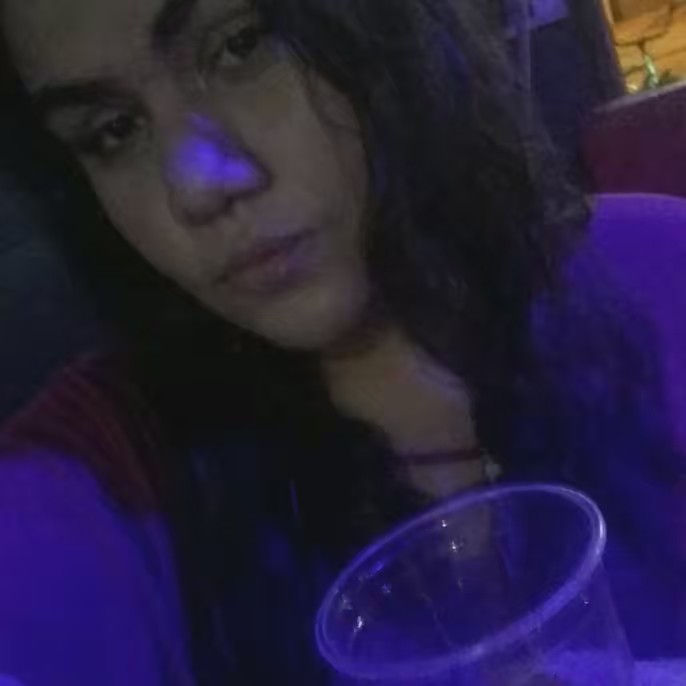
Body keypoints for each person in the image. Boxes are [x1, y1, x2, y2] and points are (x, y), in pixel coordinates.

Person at [0, 0, 685, 683]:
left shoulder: (655, 272)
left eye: (240, 46)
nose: (196, 184)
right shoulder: (109, 477)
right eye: (113, 131)